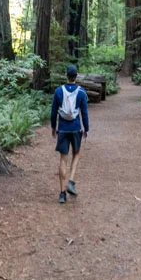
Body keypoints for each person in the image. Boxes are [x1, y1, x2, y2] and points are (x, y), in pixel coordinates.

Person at [51, 64, 89, 204]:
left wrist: (53, 127)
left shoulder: (58, 91)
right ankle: (71, 181)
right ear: (76, 76)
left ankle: (62, 193)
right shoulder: (81, 92)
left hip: (63, 128)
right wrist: (86, 128)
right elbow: (84, 113)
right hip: (75, 128)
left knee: (63, 159)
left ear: (66, 75)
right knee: (76, 154)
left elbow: (53, 112)